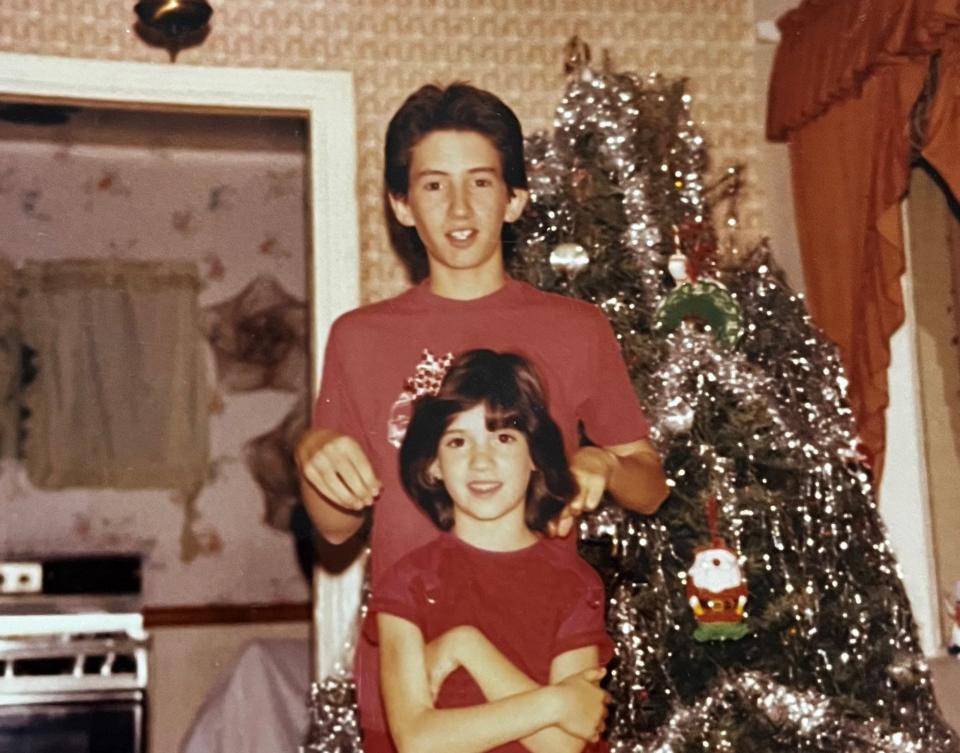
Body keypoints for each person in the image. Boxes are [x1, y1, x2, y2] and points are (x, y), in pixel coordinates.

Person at [295, 81, 669, 743]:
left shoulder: (577, 328)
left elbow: (649, 487)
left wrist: (605, 461)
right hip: (416, 680)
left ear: (516, 197)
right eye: (434, 185)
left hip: (544, 670)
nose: (459, 207)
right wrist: (313, 455)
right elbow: (334, 529)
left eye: (482, 181)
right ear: (402, 205)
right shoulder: (359, 336)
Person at [374, 349, 612, 753]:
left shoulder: (574, 583)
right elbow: (417, 740)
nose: (481, 460)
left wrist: (466, 647)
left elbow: (562, 745)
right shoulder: (408, 582)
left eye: (503, 437)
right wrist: (556, 701)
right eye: (457, 441)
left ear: (535, 455)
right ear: (433, 465)